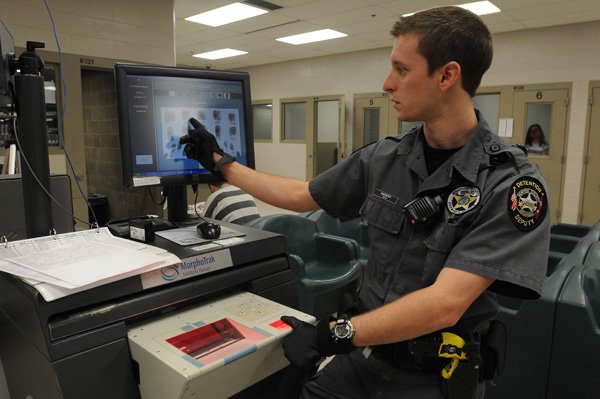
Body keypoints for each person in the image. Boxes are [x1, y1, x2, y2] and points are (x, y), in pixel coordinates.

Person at [179, 6, 550, 399]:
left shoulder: (510, 185)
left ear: (447, 75)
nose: (388, 83)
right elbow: (302, 196)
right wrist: (221, 164)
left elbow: (445, 305)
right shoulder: (385, 157)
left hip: (431, 379)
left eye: (402, 70)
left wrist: (333, 334)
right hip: (363, 359)